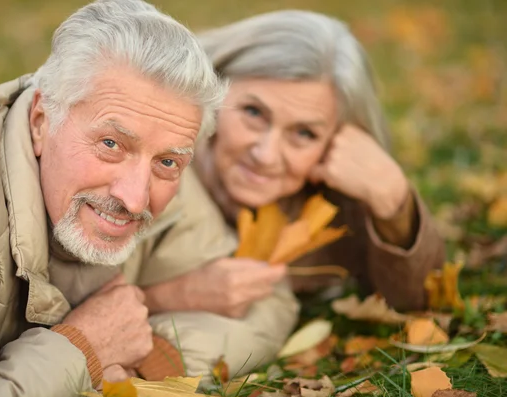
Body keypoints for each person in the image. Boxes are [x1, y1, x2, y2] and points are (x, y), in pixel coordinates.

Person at [0, 0, 233, 397]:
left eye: (167, 161)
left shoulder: (160, 161)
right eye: (111, 143)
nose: (134, 199)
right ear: (42, 121)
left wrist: (154, 357)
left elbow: (269, 303)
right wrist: (84, 349)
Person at [141, 9, 446, 373]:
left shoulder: (328, 202)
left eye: (304, 134)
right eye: (254, 112)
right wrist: (170, 296)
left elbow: (420, 303)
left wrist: (394, 202)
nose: (266, 155)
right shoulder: (155, 151)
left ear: (338, 141)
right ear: (213, 86)